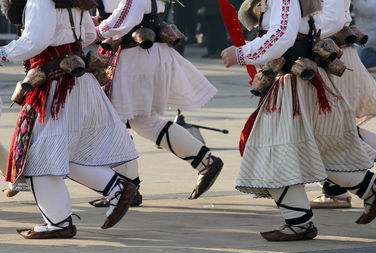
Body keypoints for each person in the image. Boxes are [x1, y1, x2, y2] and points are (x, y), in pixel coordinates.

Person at [222, 0, 376, 241]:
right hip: (301, 79)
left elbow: (282, 37)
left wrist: (241, 53)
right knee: (319, 148)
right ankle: (369, 188)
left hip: (293, 82)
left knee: (275, 151)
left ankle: (300, 222)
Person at [0, 0, 140, 239]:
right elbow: (87, 35)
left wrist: (3, 53)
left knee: (37, 159)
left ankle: (59, 223)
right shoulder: (74, 0)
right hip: (78, 79)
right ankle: (116, 187)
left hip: (55, 86)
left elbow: (36, 41)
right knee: (61, 154)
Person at [89, 0, 223, 207]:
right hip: (142, 53)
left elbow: (126, 15)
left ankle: (127, 188)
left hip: (134, 55)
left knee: (114, 121)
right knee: (144, 121)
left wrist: (93, 32)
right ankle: (206, 162)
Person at [311, 0, 376, 208]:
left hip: (333, 60)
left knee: (330, 128)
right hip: (329, 57)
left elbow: (332, 21)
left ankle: (337, 190)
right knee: (334, 129)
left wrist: (295, 34)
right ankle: (335, 189)